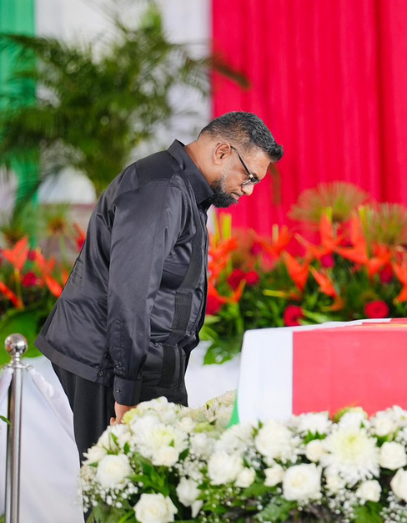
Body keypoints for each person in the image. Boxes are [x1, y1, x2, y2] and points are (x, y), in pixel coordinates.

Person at [36, 112, 283, 462]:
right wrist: (127, 395)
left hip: (141, 363)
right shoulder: (161, 189)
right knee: (117, 494)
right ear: (223, 152)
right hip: (110, 364)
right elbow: (130, 295)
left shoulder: (183, 187)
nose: (248, 189)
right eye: (249, 177)